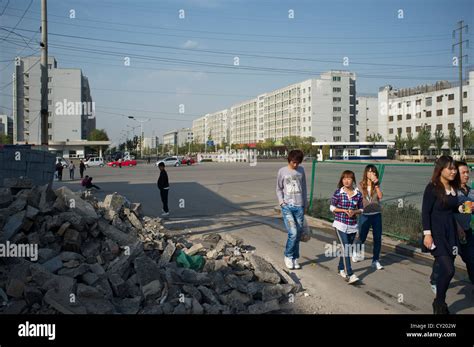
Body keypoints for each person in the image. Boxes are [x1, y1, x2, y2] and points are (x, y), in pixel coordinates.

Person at [422, 155, 462, 314]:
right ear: (441, 170)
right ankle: (439, 302)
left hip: (451, 232)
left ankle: (439, 302)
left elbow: (453, 209)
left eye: (454, 168)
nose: (454, 171)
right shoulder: (432, 187)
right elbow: (425, 212)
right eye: (450, 168)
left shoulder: (453, 188)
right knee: (449, 270)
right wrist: (427, 234)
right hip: (437, 233)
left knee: (447, 269)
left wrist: (465, 211)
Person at [330, 170, 364, 284]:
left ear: (353, 180)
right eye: (344, 178)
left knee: (346, 248)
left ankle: (340, 268)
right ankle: (350, 273)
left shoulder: (357, 194)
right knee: (346, 248)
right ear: (342, 180)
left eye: (349, 178)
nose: (346, 180)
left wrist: (354, 212)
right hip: (340, 224)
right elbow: (332, 208)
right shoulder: (338, 193)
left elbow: (362, 209)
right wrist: (343, 210)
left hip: (352, 226)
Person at [276, 149, 307, 270]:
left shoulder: (301, 170)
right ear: (289, 160)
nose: (295, 165)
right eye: (294, 162)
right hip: (287, 206)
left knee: (298, 233)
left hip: (299, 206)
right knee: (293, 232)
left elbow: (304, 188)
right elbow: (278, 188)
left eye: (298, 163)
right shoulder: (282, 171)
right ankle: (288, 256)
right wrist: (281, 202)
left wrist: (305, 204)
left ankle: (295, 257)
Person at [352, 165, 384, 270]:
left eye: (373, 172)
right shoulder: (360, 185)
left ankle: (375, 260)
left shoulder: (376, 185)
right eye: (369, 172)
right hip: (364, 214)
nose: (371, 174)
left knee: (377, 238)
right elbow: (355, 197)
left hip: (376, 214)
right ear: (366, 173)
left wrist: (377, 185)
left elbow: (380, 197)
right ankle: (355, 252)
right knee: (362, 236)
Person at [453, 161, 474, 284]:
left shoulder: (471, 191)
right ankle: (435, 280)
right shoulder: (452, 191)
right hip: (452, 231)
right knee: (447, 262)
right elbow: (451, 210)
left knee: (471, 259)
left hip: (466, 231)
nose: (466, 175)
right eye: (463, 172)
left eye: (468, 172)